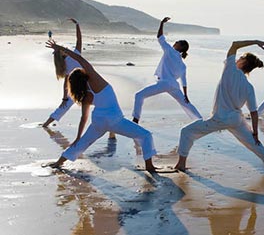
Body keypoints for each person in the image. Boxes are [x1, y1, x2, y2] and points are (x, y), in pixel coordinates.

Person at [44, 39, 158, 172]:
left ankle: (58, 163)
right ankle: (149, 166)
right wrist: (57, 47)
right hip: (115, 120)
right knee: (145, 135)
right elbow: (79, 58)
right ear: (83, 73)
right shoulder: (95, 79)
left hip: (98, 121)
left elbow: (83, 118)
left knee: (81, 144)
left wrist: (78, 137)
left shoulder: (84, 94)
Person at [175, 40, 264, 173]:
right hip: (236, 119)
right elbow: (254, 112)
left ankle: (181, 164)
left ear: (243, 62)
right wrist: (255, 133)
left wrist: (255, 42)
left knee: (186, 132)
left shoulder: (230, 69)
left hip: (221, 118)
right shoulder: (249, 86)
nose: (237, 59)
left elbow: (234, 44)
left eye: (240, 57)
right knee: (254, 144)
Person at [132, 17, 202, 124]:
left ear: (180, 47)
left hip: (163, 83)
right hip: (174, 85)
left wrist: (161, 23)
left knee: (139, 95)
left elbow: (160, 37)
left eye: (178, 42)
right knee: (186, 104)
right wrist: (186, 95)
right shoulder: (183, 65)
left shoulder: (169, 50)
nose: (176, 42)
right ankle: (200, 120)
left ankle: (135, 120)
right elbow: (184, 81)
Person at [42, 18, 83, 128]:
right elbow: (79, 39)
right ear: (63, 52)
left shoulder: (64, 65)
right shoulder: (76, 55)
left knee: (63, 108)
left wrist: (65, 98)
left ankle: (46, 124)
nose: (66, 48)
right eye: (64, 48)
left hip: (75, 89)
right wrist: (77, 24)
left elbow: (66, 83)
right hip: (86, 85)